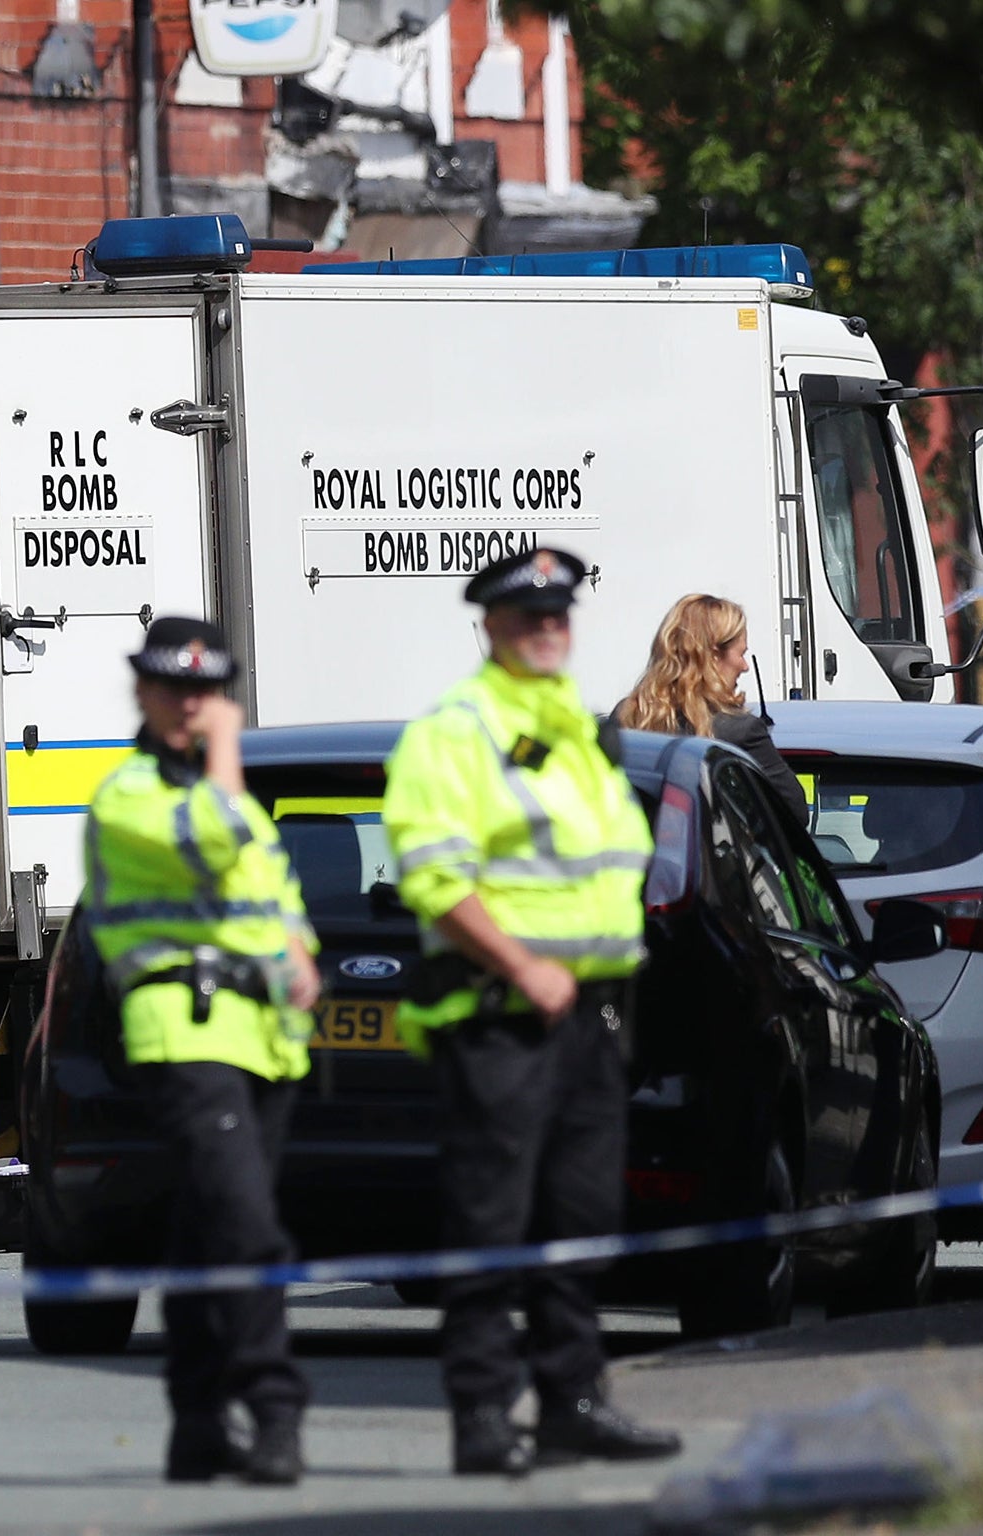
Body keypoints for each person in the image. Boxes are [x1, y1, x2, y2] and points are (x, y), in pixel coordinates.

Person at [384, 546, 680, 1477]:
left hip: (594, 1011)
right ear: (490, 630)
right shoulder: (455, 732)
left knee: (581, 1216)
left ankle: (572, 1402)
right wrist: (523, 965)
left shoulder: (586, 733)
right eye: (527, 619)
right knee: (491, 1219)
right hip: (502, 1013)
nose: (547, 631)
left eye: (558, 617)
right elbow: (435, 879)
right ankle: (480, 1416)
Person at [82, 615, 321, 1487]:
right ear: (142, 692)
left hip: (265, 1040)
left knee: (204, 1232)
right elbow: (218, 844)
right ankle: (275, 1407)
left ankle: (195, 1421)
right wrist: (227, 753)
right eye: (177, 689)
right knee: (248, 1228)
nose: (194, 706)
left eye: (209, 690)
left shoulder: (229, 794)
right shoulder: (129, 794)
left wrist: (301, 956)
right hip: (183, 1031)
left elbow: (269, 891)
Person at [614, 593, 806, 819]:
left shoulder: (628, 715)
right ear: (713, 656)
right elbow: (795, 812)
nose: (745, 667)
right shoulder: (740, 731)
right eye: (741, 654)